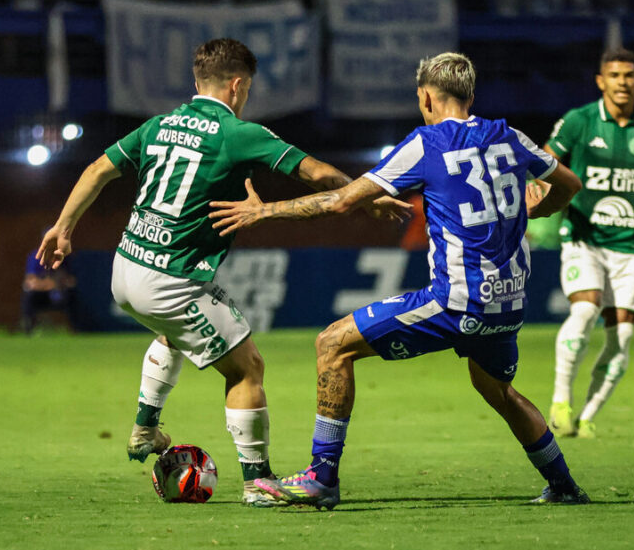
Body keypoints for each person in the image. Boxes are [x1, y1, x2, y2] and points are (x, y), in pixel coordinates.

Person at [35, 38, 410, 507]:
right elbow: (315, 174)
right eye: (246, 88)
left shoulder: (159, 124)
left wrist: (63, 227)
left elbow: (97, 169)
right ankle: (258, 483)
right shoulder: (240, 133)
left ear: (197, 83)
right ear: (237, 86)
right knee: (247, 368)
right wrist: (367, 197)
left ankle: (145, 428)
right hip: (170, 280)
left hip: (125, 270)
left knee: (175, 334)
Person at [210, 52, 588, 509]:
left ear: (425, 97)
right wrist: (533, 209)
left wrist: (263, 211)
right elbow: (567, 185)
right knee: (499, 391)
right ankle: (564, 485)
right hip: (507, 305)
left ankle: (321, 477)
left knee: (332, 345)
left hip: (457, 303)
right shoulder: (510, 137)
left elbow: (340, 203)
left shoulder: (427, 143)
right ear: (470, 96)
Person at [539, 48, 634, 439]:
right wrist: (537, 191)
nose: (622, 82)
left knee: (624, 336)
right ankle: (561, 400)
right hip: (584, 237)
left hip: (629, 245)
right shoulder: (579, 122)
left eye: (629, 75)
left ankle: (587, 415)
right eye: (614, 75)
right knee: (584, 312)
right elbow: (547, 162)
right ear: (601, 81)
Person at [20, 250, 77, 334]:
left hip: (57, 294)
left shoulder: (63, 257)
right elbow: (30, 283)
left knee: (71, 296)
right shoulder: (36, 257)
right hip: (40, 294)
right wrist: (51, 283)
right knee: (29, 297)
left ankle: (74, 329)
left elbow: (70, 281)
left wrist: (50, 283)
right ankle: (28, 329)